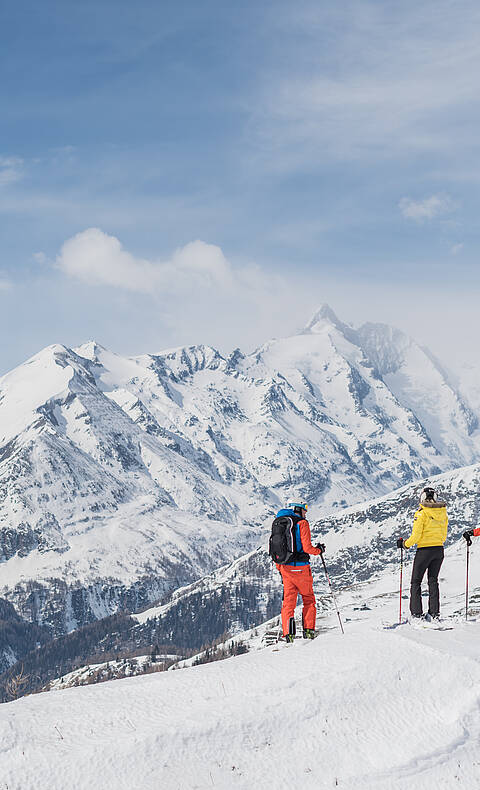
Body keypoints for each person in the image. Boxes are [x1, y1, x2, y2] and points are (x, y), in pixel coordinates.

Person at [275, 501, 325, 642]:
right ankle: (308, 632)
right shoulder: (302, 523)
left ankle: (288, 635)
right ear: (297, 509)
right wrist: (319, 550)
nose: (306, 512)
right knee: (308, 599)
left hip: (285, 568)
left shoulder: (279, 522)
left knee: (288, 604)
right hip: (301, 568)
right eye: (304, 509)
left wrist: (281, 568)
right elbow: (308, 548)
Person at [397, 487, 448, 621]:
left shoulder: (421, 514)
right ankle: (434, 613)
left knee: (416, 581)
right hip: (439, 549)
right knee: (433, 581)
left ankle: (416, 614)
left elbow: (416, 536)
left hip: (424, 551)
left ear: (422, 498)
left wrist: (405, 544)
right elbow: (444, 536)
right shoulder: (443, 513)